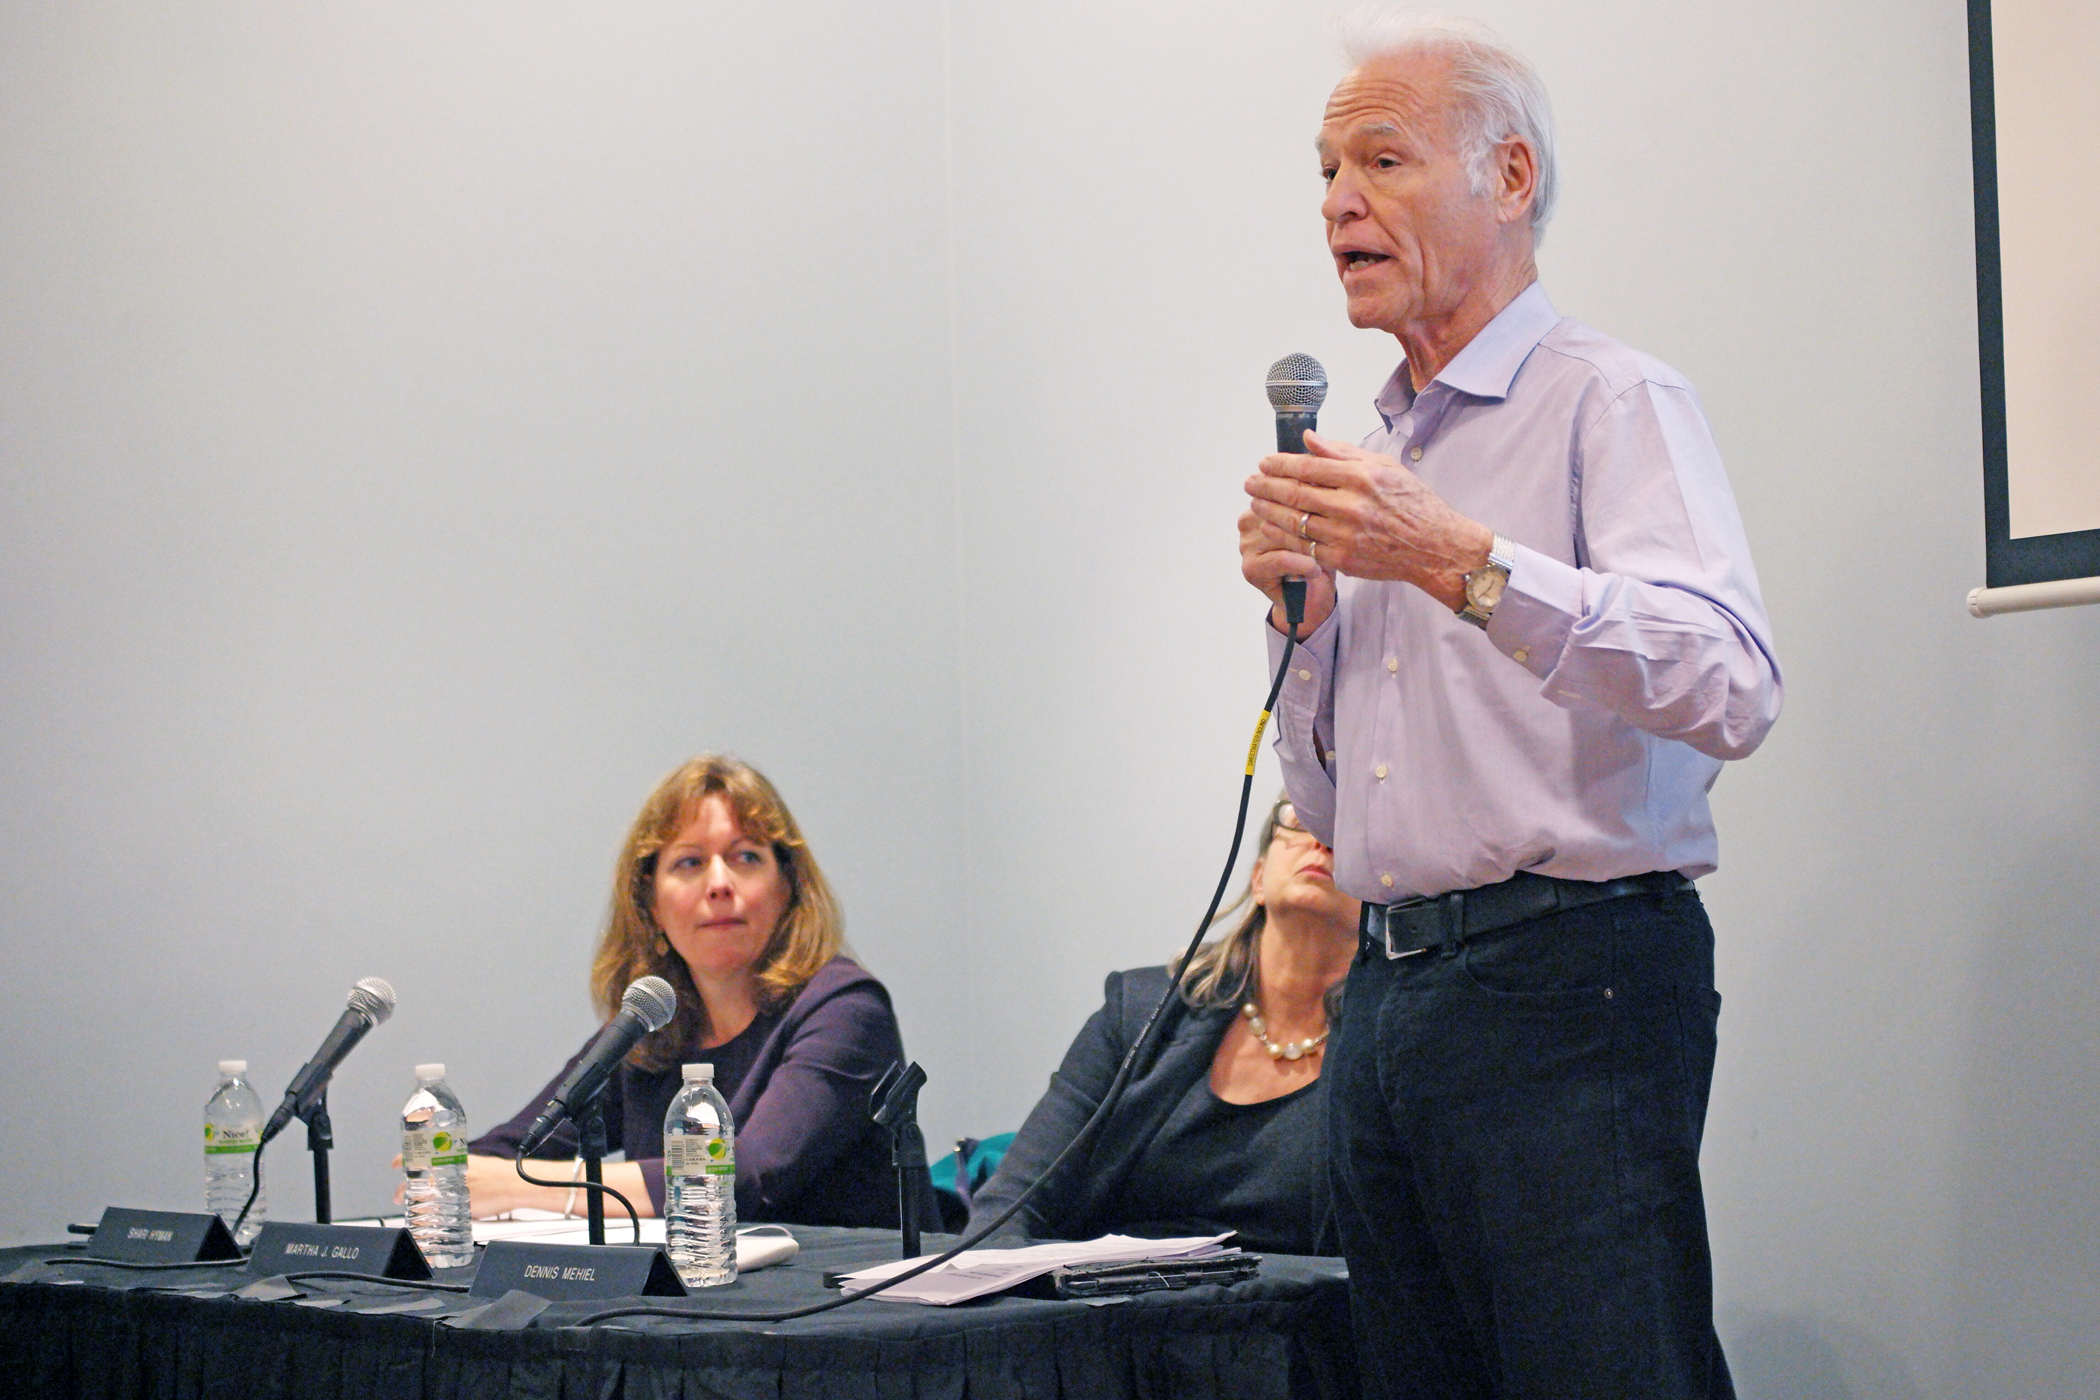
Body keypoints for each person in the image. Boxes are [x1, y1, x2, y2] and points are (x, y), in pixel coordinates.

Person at [1235, 13, 1781, 1399]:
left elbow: (1728, 681)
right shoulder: (1372, 457)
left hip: (1570, 980)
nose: (1336, 202)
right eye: (1324, 171)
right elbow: (1324, 799)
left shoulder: (1612, 400)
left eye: (1382, 160)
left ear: (1511, 177)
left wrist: (1457, 560)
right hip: (1390, 997)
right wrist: (1300, 624)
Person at [466, 754, 922, 1229]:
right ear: (650, 905)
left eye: (746, 857)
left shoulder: (845, 1008)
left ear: (787, 887)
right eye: (690, 862)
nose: (720, 883)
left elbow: (743, 1179)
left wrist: (524, 1188)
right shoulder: (653, 1024)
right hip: (696, 1293)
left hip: (841, 1297)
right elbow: (514, 1152)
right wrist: (459, 1171)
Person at [967, 794, 1359, 1255]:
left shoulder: (1386, 1049)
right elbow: (1014, 1202)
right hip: (1115, 1311)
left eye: (1347, 830)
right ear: (1257, 877)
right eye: (1300, 818)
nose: (1320, 842)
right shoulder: (1140, 1011)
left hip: (1295, 1316)